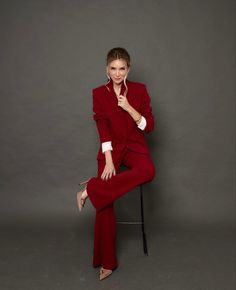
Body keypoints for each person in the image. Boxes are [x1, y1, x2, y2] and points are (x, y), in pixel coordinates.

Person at [76, 47, 156, 281]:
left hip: (133, 146)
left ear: (128, 69)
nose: (118, 73)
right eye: (113, 68)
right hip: (111, 149)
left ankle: (91, 188)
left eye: (122, 68)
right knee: (106, 201)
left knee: (148, 170)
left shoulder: (140, 90)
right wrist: (109, 159)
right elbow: (102, 127)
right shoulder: (99, 93)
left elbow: (149, 126)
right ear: (106, 69)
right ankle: (107, 262)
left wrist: (129, 107)